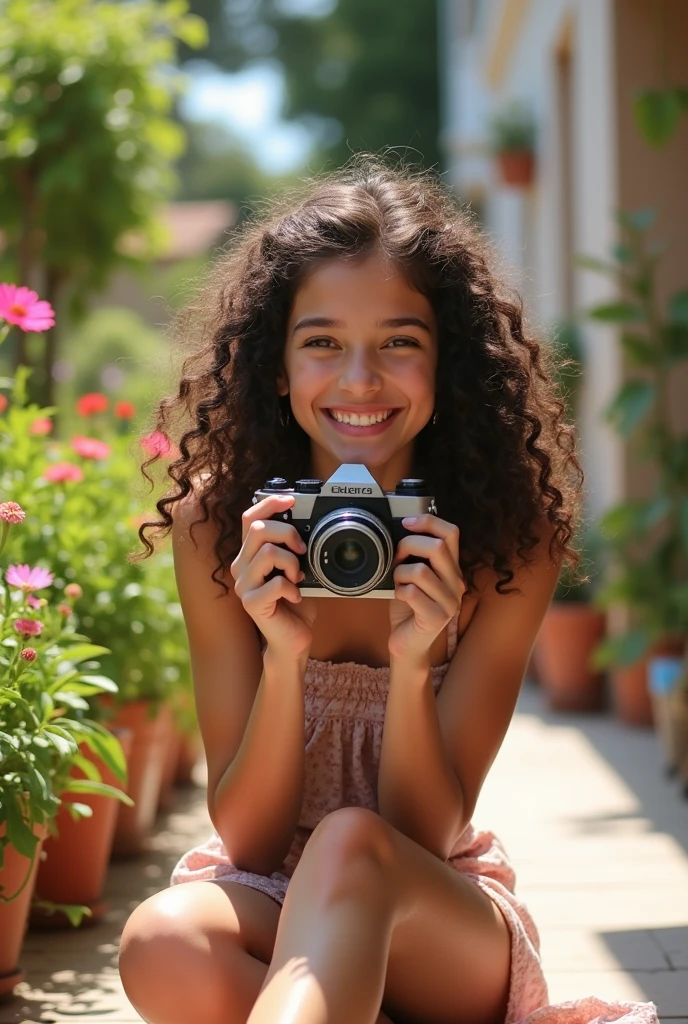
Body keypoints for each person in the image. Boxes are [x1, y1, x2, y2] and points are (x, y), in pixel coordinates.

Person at [118, 158, 656, 1024]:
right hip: (273, 891)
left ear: (448, 366)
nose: (359, 380)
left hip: (434, 918)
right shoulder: (220, 526)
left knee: (350, 843)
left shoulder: (506, 543)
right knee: (162, 940)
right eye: (322, 341)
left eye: (400, 342)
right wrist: (283, 656)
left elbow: (430, 833)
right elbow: (248, 841)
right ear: (279, 365)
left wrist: (415, 663)